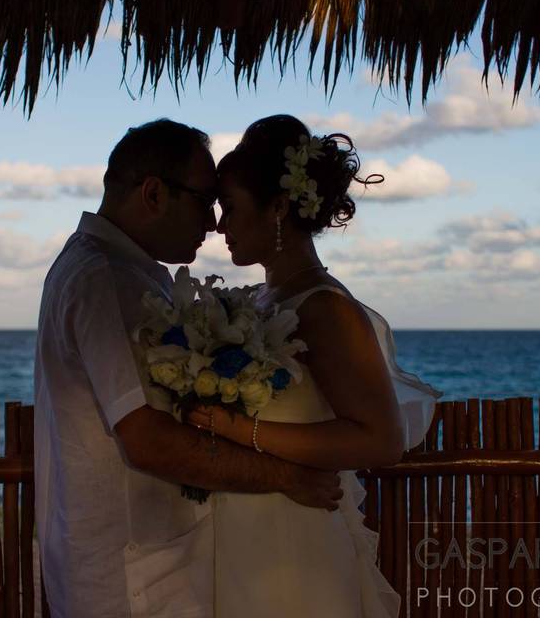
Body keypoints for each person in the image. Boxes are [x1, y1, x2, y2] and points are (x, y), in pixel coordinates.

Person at [33, 118, 344, 618]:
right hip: (136, 577)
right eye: (205, 199)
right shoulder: (104, 279)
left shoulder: (119, 271)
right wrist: (287, 477)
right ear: (154, 194)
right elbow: (147, 438)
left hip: (143, 566)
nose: (214, 220)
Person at [187, 114, 439, 618]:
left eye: (230, 208)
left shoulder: (326, 309)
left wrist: (242, 431)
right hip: (243, 526)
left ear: (278, 207)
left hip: (291, 540)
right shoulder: (262, 298)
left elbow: (380, 440)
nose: (220, 226)